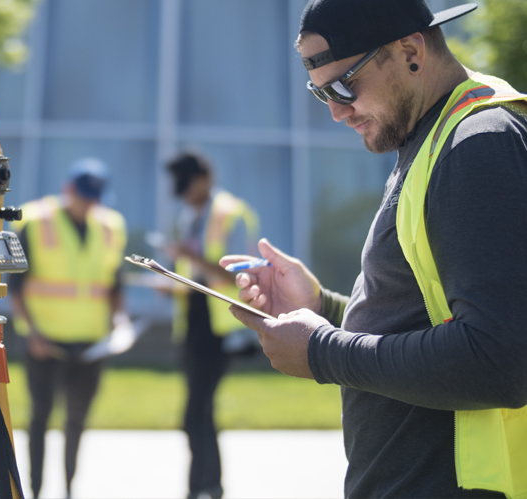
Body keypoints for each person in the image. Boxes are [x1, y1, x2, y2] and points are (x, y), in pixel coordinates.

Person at [221, 1, 527, 497]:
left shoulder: (478, 144)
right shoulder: (433, 135)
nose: (338, 112)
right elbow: (426, 321)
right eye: (321, 95)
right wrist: (323, 308)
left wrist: (322, 351)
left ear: (410, 50)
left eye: (344, 86)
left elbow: (499, 359)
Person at [8, 158, 128, 498]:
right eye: (83, 195)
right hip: (45, 342)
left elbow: (114, 284)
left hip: (92, 343)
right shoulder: (35, 221)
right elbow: (16, 287)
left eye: (94, 197)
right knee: (40, 418)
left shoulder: (110, 226)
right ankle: (34, 490)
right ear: (67, 190)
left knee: (76, 420)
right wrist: (31, 333)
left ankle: (69, 490)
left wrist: (119, 322)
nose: (88, 203)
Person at [166, 152, 260, 499]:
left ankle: (203, 488)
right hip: (192, 327)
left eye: (186, 186)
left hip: (219, 332)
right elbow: (194, 279)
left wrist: (190, 258)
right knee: (200, 415)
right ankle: (207, 487)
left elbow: (233, 275)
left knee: (196, 415)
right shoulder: (190, 216)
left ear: (204, 179)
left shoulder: (230, 215)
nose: (183, 195)